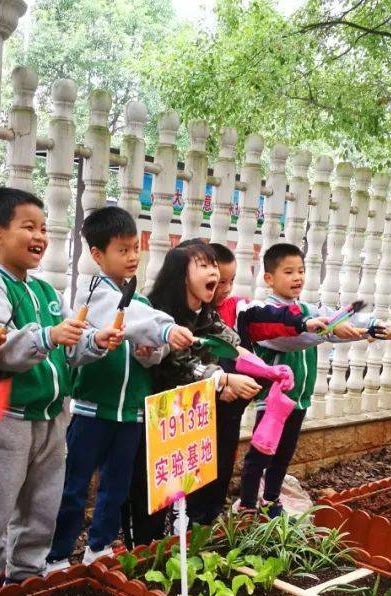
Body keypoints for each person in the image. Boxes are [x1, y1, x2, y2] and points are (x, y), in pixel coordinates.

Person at [0, 188, 119, 594]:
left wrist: (94, 342)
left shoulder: (45, 291)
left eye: (43, 228)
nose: (40, 236)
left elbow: (69, 348)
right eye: (28, 227)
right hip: (9, 420)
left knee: (42, 512)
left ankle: (26, 580)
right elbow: (1, 346)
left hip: (52, 420)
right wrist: (49, 335)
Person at [46, 206, 195, 571]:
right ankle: (57, 555)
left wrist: (152, 349)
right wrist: (163, 330)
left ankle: (99, 547)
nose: (132, 257)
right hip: (92, 411)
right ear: (97, 255)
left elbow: (148, 352)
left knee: (116, 487)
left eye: (135, 248)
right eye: (122, 250)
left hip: (131, 412)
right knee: (74, 488)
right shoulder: (95, 294)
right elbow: (127, 319)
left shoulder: (141, 301)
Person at [123, 244, 263, 546]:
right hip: (157, 419)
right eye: (204, 266)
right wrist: (223, 380)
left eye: (215, 265)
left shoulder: (205, 313)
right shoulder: (160, 314)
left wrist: (262, 369)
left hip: (189, 416)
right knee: (151, 494)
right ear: (180, 275)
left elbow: (231, 341)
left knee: (182, 486)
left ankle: (178, 547)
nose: (214, 272)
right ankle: (144, 552)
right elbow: (176, 363)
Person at [238, 243, 383, 516]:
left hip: (299, 399)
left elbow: (337, 319)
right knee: (261, 454)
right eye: (289, 271)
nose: (298, 277)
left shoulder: (306, 308)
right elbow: (293, 339)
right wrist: (328, 329)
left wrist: (373, 327)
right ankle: (247, 505)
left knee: (283, 456)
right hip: (274, 401)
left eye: (301, 271)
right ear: (269, 278)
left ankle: (270, 500)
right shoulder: (264, 314)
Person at [185, 242, 318, 525]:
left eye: (231, 281)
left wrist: (307, 323)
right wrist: (224, 380)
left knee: (223, 461)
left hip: (234, 403)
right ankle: (192, 517)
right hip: (203, 402)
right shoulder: (190, 316)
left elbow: (263, 324)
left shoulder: (238, 308)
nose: (225, 288)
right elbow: (187, 362)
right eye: (220, 281)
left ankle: (210, 516)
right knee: (198, 462)